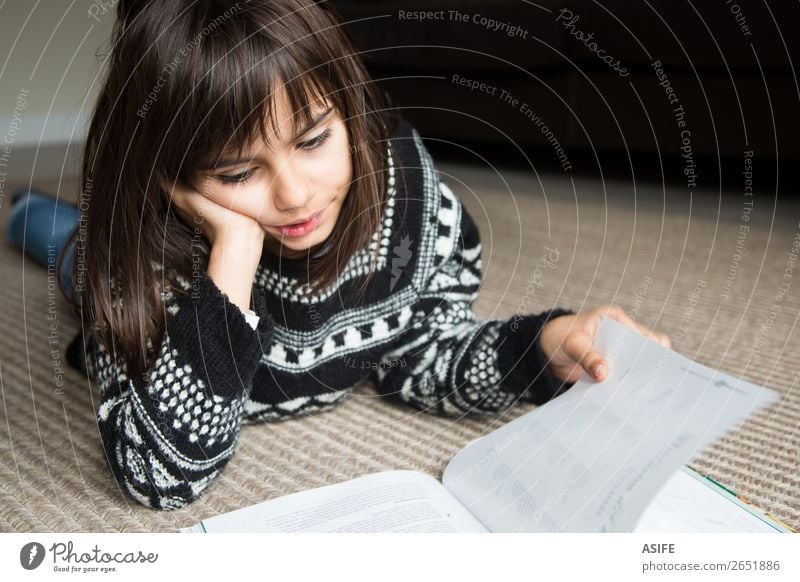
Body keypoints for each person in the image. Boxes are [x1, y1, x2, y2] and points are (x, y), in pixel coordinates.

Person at [5, 0, 670, 510]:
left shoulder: (408, 192)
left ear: (348, 109)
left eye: (315, 140)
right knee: (71, 255)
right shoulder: (146, 249)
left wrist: (543, 343)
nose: (295, 195)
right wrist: (233, 248)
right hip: (113, 263)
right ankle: (31, 214)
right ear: (173, 181)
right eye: (237, 174)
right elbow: (160, 476)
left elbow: (420, 357)